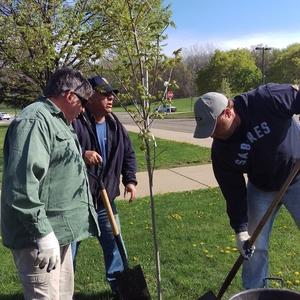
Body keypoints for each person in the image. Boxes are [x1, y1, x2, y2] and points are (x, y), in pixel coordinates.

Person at [0, 67, 100, 300]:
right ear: (69, 96)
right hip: (37, 239)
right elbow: (21, 185)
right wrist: (43, 234)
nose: (84, 109)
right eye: (83, 102)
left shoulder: (58, 121)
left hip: (57, 235)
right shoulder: (35, 120)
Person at [193, 84, 300, 289]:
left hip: (296, 175)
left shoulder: (266, 99)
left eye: (213, 127)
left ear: (228, 112)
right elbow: (233, 193)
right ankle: (254, 293)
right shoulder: (221, 152)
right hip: (261, 187)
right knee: (253, 245)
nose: (211, 135)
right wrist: (240, 231)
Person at [71, 75, 137, 297]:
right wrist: (82, 154)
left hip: (104, 201)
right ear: (89, 98)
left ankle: (121, 290)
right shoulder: (75, 122)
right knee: (67, 252)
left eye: (112, 94)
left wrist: (130, 180)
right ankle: (60, 291)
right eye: (105, 94)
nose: (111, 98)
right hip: (76, 202)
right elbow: (59, 150)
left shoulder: (114, 125)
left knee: (116, 248)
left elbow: (128, 154)